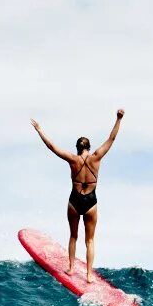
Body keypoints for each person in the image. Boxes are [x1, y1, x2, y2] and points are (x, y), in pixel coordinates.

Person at [31, 109, 124, 280]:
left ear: (77, 148)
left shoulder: (73, 159)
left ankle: (72, 268)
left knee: (73, 236)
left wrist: (39, 130)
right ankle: (89, 274)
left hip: (75, 200)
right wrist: (119, 119)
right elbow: (112, 139)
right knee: (90, 241)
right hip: (91, 202)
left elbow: (51, 147)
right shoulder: (96, 157)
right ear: (88, 147)